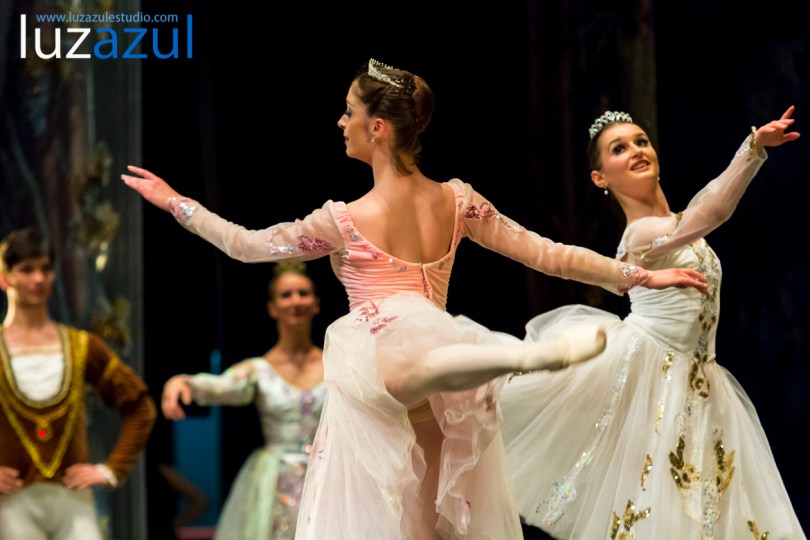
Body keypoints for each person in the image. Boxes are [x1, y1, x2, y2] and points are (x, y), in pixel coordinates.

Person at [121, 59, 707, 539]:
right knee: (430, 494)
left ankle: (512, 357)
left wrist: (178, 202)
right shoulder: (455, 201)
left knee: (409, 411)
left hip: (387, 362)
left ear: (378, 127)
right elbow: (547, 253)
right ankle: (507, 357)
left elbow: (245, 247)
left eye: (350, 113)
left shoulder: (343, 219)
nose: (341, 122)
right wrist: (633, 276)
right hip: (442, 361)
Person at [501, 108, 805, 539]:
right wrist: (752, 150)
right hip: (655, 379)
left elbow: (701, 209)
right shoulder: (642, 235)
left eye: (641, 141)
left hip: (701, 381)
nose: (636, 151)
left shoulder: (677, 227)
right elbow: (712, 211)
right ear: (600, 178)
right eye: (619, 149)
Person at [0, 227, 157, 540]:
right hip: (11, 503)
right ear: (5, 277)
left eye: (45, 269)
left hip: (72, 498)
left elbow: (141, 407)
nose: (38, 279)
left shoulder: (82, 346)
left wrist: (111, 469)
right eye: (26, 270)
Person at [161, 262, 326, 540]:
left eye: (303, 293)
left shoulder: (335, 363)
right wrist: (185, 382)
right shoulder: (258, 370)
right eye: (286, 295)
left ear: (316, 303)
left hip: (326, 474)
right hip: (275, 482)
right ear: (272, 308)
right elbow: (222, 385)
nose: (296, 301)